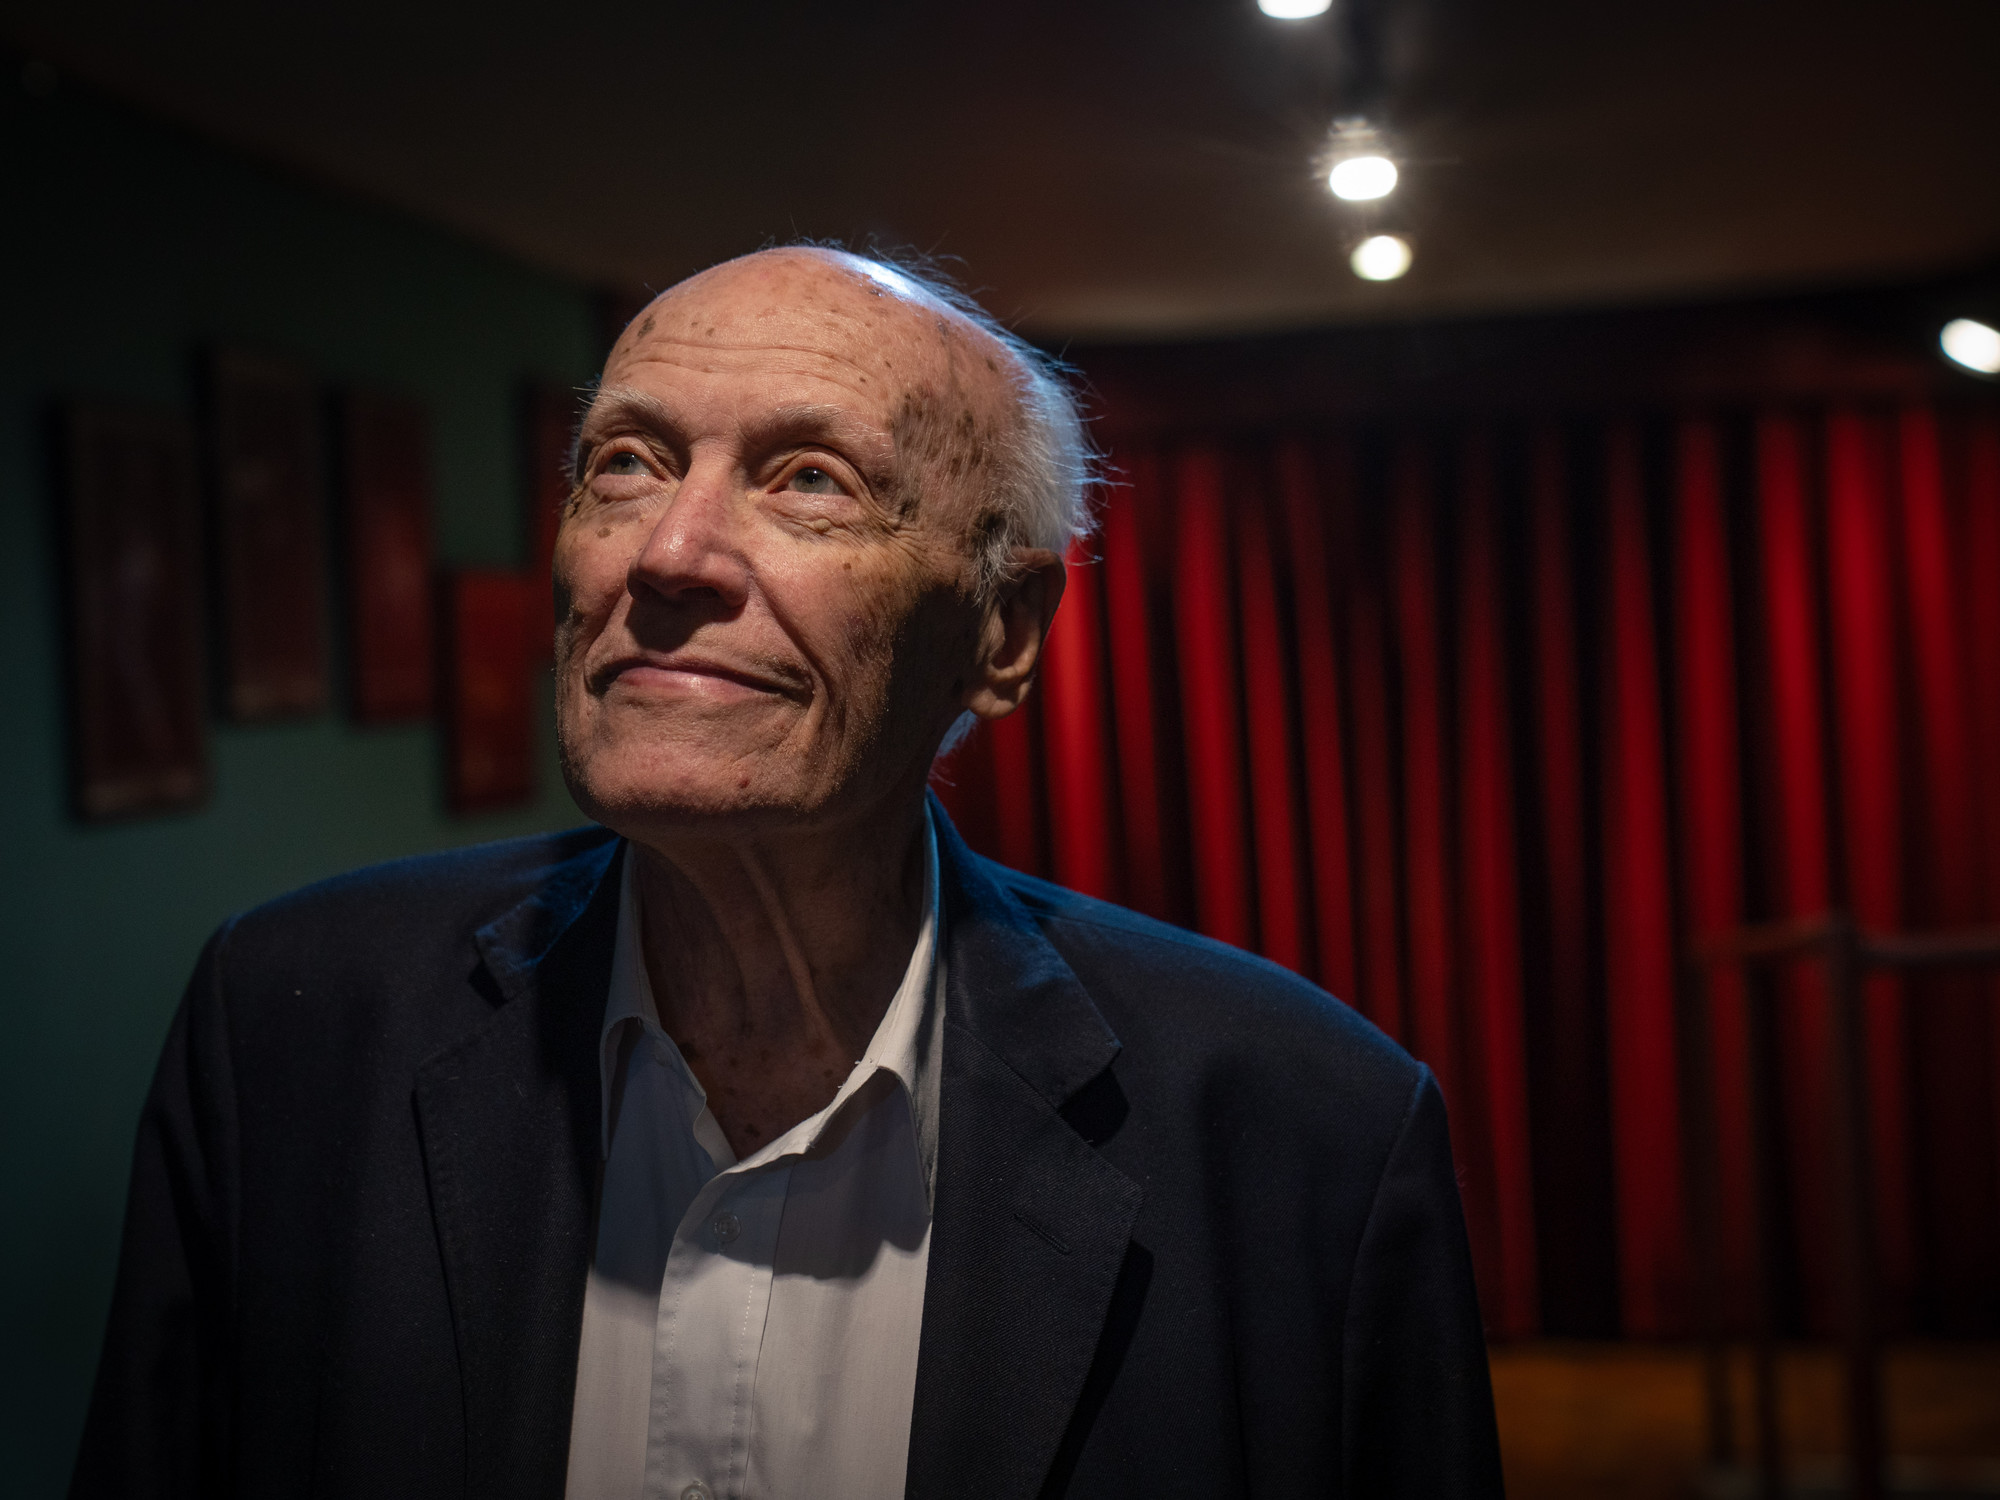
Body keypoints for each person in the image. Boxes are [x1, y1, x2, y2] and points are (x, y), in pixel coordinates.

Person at [70, 247, 1503, 1499]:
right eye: (626, 464)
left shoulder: (1305, 1137)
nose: (671, 552)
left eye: (810, 481)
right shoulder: (290, 1027)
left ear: (1004, 630)